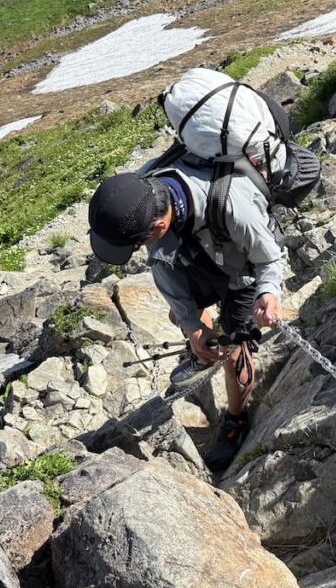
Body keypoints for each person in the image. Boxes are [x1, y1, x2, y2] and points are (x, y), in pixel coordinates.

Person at [87, 162, 285, 472]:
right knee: (177, 314)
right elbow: (162, 265)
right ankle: (204, 350)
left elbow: (270, 258)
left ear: (158, 228)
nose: (140, 249)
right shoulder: (148, 195)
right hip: (202, 252)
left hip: (244, 271)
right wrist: (192, 327)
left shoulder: (233, 205)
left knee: (235, 354)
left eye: (138, 243)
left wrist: (269, 293)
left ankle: (236, 418)